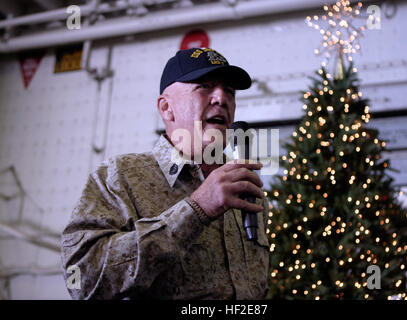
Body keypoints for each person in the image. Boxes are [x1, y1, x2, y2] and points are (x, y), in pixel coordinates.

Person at [61, 47, 270, 300]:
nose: (221, 99)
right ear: (166, 108)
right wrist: (196, 209)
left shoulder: (247, 188)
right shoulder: (119, 176)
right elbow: (82, 279)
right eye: (204, 86)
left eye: (229, 91)